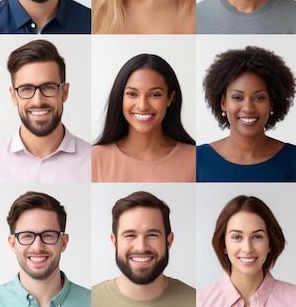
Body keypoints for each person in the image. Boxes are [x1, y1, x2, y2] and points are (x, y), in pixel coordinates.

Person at [0, 39, 90, 182]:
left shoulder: (94, 161)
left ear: (64, 92)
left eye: (48, 87)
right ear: (13, 96)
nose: (38, 101)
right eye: (27, 89)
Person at [197, 46, 296, 181]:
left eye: (259, 97)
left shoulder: (292, 160)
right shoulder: (197, 160)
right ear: (223, 103)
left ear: (271, 103)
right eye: (237, 97)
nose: (248, 108)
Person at [92, 54, 195, 182]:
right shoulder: (94, 158)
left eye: (154, 95)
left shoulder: (194, 159)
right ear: (120, 97)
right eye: (132, 94)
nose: (142, 106)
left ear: (170, 98)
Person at [0, 191, 90, 306]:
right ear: (13, 244)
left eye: (48, 235)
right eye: (27, 236)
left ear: (63, 243)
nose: (37, 247)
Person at [92, 191, 195, 306]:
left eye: (152, 235)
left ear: (169, 241)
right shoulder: (91, 300)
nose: (141, 247)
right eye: (130, 235)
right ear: (114, 242)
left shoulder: (197, 301)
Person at [198, 195, 296, 305]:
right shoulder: (201, 301)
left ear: (270, 243)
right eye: (237, 237)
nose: (247, 248)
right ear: (224, 245)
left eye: (257, 237)